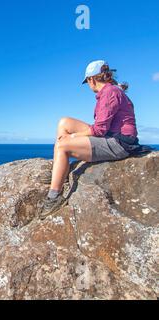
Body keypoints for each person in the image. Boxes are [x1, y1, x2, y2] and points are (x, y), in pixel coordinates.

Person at [41, 60, 144, 219]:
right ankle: (60, 170)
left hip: (119, 143)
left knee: (62, 146)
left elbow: (99, 129)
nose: (88, 85)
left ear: (92, 79)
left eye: (87, 81)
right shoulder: (110, 91)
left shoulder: (110, 93)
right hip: (111, 135)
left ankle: (53, 198)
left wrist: (73, 137)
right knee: (64, 122)